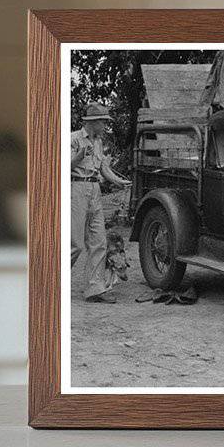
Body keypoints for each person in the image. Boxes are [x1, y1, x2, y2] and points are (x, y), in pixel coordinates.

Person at [71, 102, 132, 303]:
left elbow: (103, 169)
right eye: (103, 122)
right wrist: (79, 155)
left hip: (95, 189)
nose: (105, 126)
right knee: (75, 244)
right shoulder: (73, 139)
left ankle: (94, 289)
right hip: (76, 188)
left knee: (99, 242)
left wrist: (118, 181)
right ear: (93, 122)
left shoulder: (98, 142)